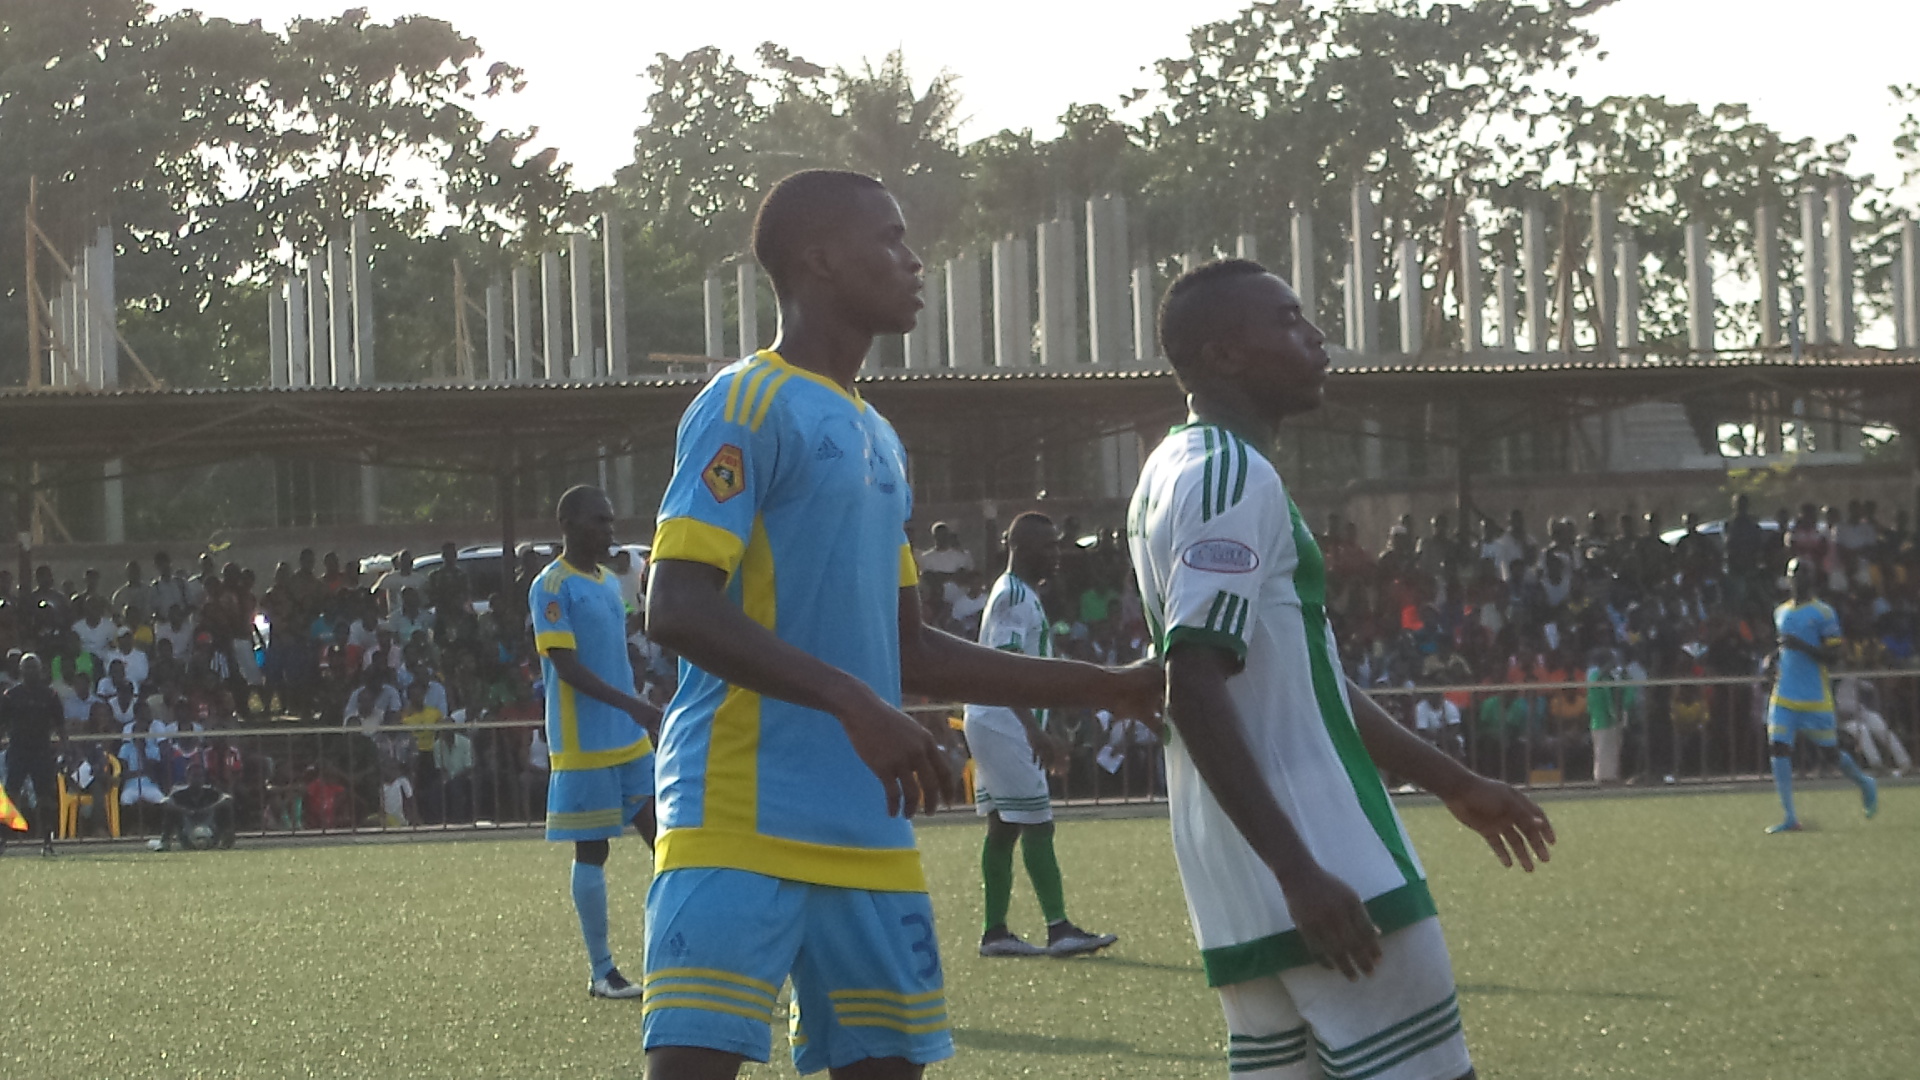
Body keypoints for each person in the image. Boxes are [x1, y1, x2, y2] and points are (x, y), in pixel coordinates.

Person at [642, 169, 1160, 1080]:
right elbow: (675, 604)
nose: (914, 261)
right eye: (889, 238)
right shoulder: (743, 402)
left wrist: (1105, 685)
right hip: (736, 815)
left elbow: (909, 648)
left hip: (869, 829)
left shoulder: (880, 437)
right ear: (820, 259)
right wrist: (854, 702)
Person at [1130, 259, 1555, 1080]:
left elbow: (1297, 673)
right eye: (1289, 321)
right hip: (1323, 855)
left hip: (1239, 874)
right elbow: (1192, 679)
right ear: (1224, 355)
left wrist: (1452, 781)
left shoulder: (1171, 467)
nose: (1317, 337)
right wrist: (1299, 870)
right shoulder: (1230, 473)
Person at [964, 512, 1118, 958]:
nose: (1056, 554)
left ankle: (995, 933)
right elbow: (1006, 667)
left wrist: (1045, 724)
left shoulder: (1018, 593)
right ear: (1019, 547)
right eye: (1047, 546)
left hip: (993, 718)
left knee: (1003, 827)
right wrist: (1033, 729)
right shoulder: (1014, 596)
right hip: (1003, 721)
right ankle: (1059, 928)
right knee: (1037, 823)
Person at [530, 484, 660, 1002]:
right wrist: (633, 704)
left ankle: (680, 957)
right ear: (568, 524)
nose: (609, 530)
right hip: (584, 744)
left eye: (610, 520)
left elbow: (614, 648)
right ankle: (603, 971)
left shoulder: (608, 581)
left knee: (667, 841)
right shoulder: (550, 586)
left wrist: (642, 687)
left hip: (629, 740)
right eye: (598, 520)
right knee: (593, 850)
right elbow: (566, 667)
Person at [1765, 558, 1878, 833]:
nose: (1798, 578)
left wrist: (1802, 646)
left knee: (1830, 755)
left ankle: (1864, 782)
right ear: (1788, 578)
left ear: (1812, 578)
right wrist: (1772, 658)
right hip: (1784, 694)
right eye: (1793, 573)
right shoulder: (1781, 611)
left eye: (1803, 573)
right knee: (1778, 748)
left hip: (1814, 695)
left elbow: (1834, 656)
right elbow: (1784, 646)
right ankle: (1790, 817)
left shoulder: (1824, 613)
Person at [1, 653, 65, 855]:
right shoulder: (11, 695)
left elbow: (61, 725)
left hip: (41, 752)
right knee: (10, 795)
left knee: (45, 797)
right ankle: (2, 839)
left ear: (41, 670)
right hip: (18, 751)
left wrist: (65, 749)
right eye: (26, 667)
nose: (30, 671)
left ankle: (47, 842)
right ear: (21, 670)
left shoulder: (50, 695)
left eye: (34, 667)